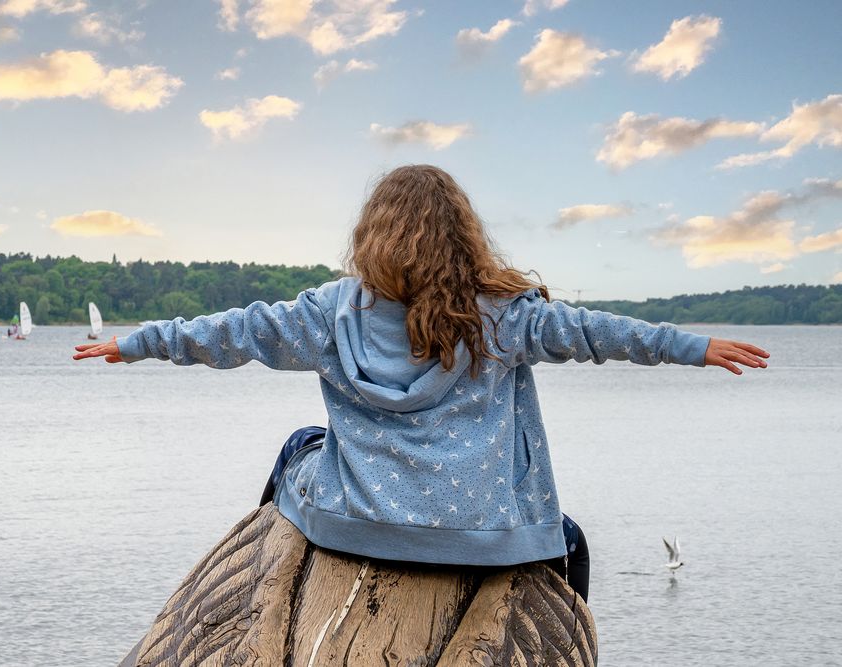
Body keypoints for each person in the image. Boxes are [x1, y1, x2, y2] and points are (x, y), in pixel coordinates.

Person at [73, 164, 768, 602]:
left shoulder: (328, 311)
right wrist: (695, 345)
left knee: (297, 448)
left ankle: (270, 584)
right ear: (463, 236)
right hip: (482, 532)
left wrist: (134, 343)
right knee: (574, 543)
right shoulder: (500, 317)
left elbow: (232, 331)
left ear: (370, 236)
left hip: (356, 526)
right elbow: (599, 332)